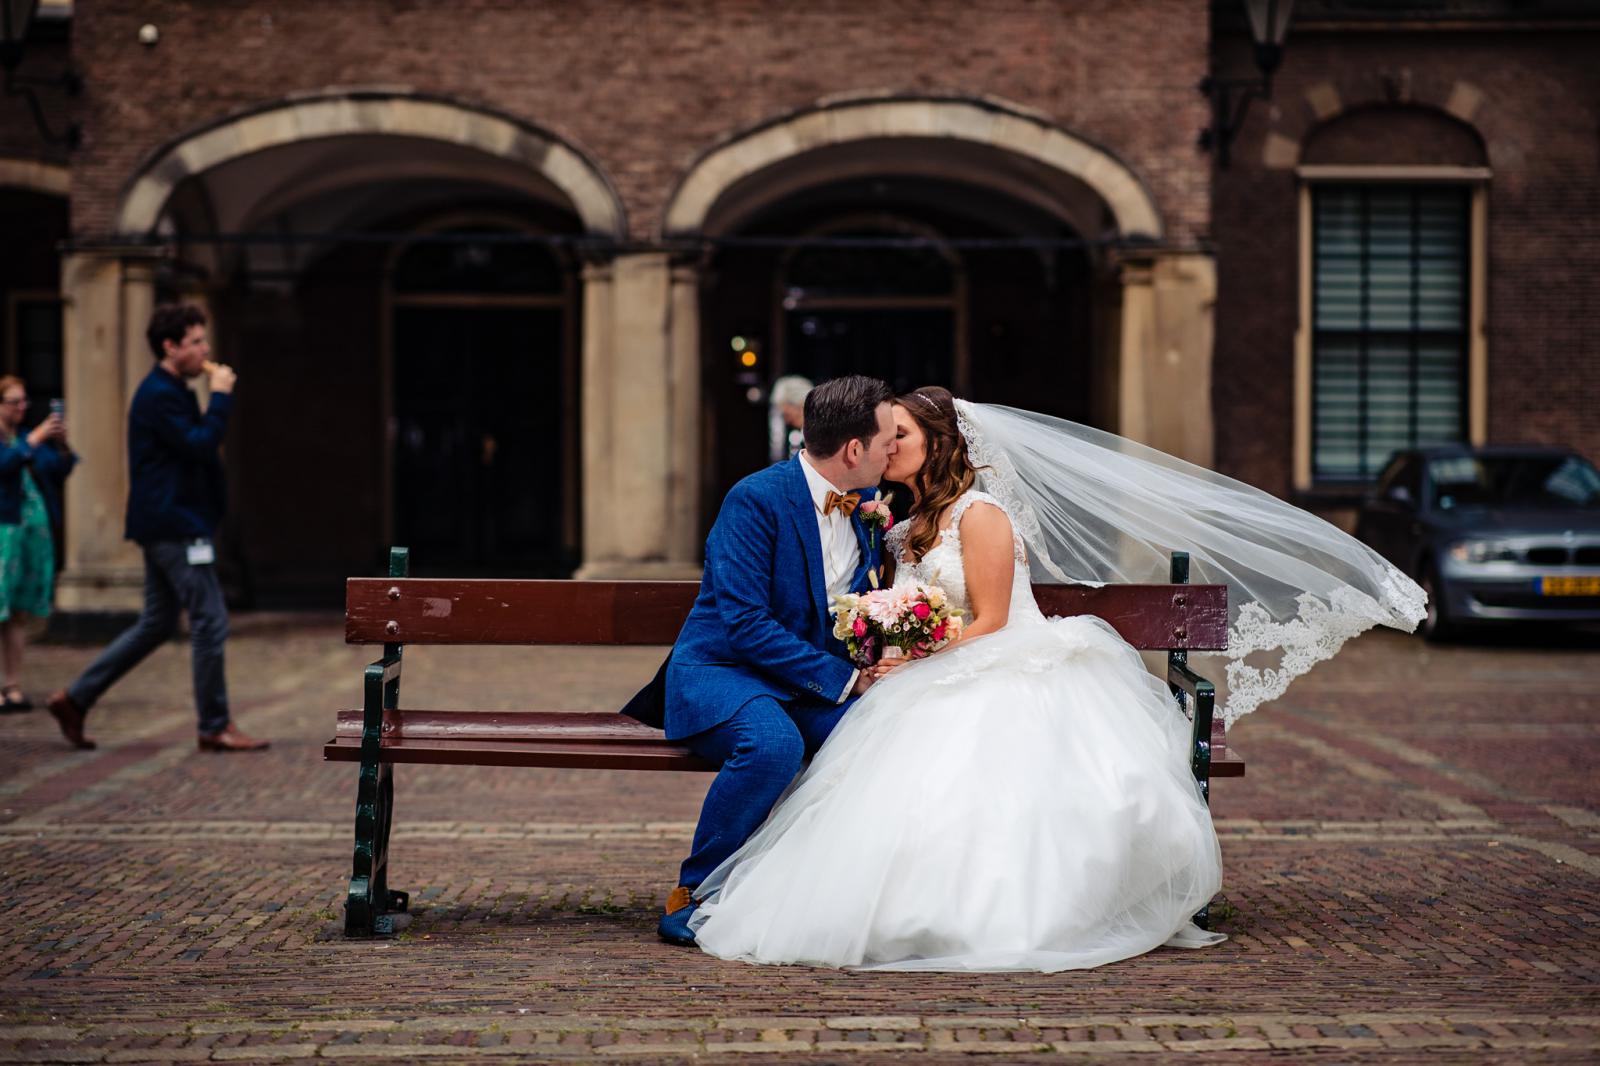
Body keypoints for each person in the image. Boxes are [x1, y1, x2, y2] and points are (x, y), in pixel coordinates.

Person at [682, 386, 1426, 971]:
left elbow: (993, 620)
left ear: (938, 444)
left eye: (901, 436)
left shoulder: (980, 515)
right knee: (860, 749)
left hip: (994, 656)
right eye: (883, 439)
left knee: (928, 752)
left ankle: (969, 908)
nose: (888, 448)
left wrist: (909, 656)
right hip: (889, 668)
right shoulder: (898, 523)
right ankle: (767, 890)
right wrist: (884, 652)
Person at [621, 374, 898, 947]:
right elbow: (744, 623)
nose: (893, 450)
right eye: (887, 440)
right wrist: (846, 678)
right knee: (774, 746)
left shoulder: (868, 504)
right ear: (854, 450)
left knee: (881, 737)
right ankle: (696, 892)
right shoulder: (755, 498)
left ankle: (831, 892)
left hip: (798, 680)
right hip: (724, 672)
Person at [46, 303, 268, 753]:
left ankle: (76, 698)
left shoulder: (174, 389)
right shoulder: (159, 394)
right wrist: (221, 397)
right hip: (174, 524)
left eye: (204, 340)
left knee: (156, 623)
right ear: (170, 346)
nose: (205, 350)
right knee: (210, 619)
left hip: (171, 520)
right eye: (195, 342)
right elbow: (200, 445)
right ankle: (214, 724)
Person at [0, 376, 73, 711]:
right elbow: (5, 464)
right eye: (15, 401)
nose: (22, 407)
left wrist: (61, 444)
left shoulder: (24, 437)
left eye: (24, 401)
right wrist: (33, 440)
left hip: (30, 533)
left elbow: (58, 470)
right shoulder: (20, 441)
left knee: (17, 612)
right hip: (5, 531)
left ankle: (11, 684)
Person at [767, 374, 812, 463]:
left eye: (786, 414)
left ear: (801, 404)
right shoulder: (797, 434)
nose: (787, 421)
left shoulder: (821, 436)